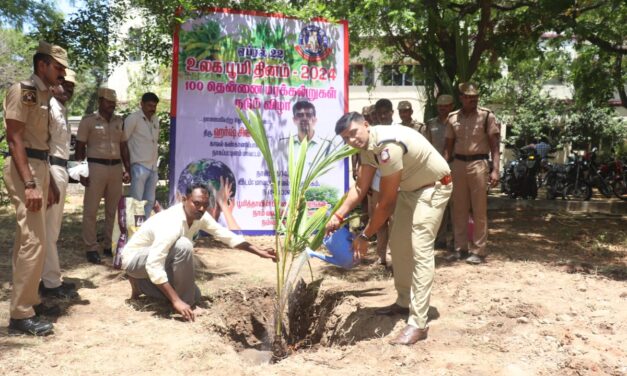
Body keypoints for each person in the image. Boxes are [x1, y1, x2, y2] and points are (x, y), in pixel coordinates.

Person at [326, 112, 452, 345]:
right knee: (398, 244)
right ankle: (404, 302)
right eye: (346, 138)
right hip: (410, 190)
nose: (352, 140)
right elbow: (360, 188)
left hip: (433, 187)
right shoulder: (366, 147)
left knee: (419, 248)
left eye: (353, 133)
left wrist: (365, 236)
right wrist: (338, 215)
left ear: (366, 124)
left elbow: (385, 203)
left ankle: (418, 323)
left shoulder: (388, 146)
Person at [120, 183, 276, 321]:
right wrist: (177, 301)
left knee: (197, 294)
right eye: (196, 203)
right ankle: (188, 305)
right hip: (135, 260)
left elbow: (226, 235)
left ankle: (141, 286)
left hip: (155, 260)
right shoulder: (171, 223)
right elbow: (154, 264)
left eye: (205, 204)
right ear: (184, 199)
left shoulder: (200, 216)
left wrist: (260, 252)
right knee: (183, 245)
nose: (201, 208)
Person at [3, 41, 68, 336]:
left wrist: (49, 181)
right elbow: (15, 138)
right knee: (33, 241)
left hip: (40, 166)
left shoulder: (44, 94)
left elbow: (42, 143)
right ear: (42, 65)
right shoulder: (25, 91)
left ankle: (28, 302)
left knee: (31, 241)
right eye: (57, 67)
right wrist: (30, 183)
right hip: (24, 168)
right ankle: (20, 315)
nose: (62, 72)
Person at [443, 83, 500, 265]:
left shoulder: (486, 116)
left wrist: (496, 169)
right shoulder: (453, 118)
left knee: (479, 209)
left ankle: (479, 250)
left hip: (479, 164)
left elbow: (495, 147)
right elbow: (448, 148)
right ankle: (460, 248)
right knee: (458, 208)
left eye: (475, 97)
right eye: (468, 97)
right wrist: (443, 170)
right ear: (461, 98)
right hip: (458, 164)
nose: (472, 100)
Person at [76, 88, 131, 264]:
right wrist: (81, 170)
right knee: (91, 210)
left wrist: (127, 169)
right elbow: (79, 148)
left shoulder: (119, 121)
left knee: (113, 211)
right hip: (95, 167)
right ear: (100, 101)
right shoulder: (88, 121)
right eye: (108, 102)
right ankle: (91, 247)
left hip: (115, 168)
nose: (111, 106)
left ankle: (110, 245)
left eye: (113, 103)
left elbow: (123, 146)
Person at [40, 69, 79, 299]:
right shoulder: (48, 108)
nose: (68, 90)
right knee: (48, 230)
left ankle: (49, 279)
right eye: (64, 85)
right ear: (54, 85)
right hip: (51, 169)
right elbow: (42, 144)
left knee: (51, 230)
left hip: (61, 168)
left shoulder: (61, 109)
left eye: (72, 87)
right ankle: (50, 283)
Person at [423, 94, 455, 249]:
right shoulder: (431, 124)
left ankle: (456, 240)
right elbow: (426, 146)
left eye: (446, 106)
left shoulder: (457, 123)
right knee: (438, 202)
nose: (443, 109)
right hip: (436, 168)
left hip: (455, 166)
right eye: (440, 106)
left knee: (455, 204)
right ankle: (440, 239)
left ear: (451, 106)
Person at [124, 92, 160, 218]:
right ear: (142, 104)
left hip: (152, 167)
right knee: (136, 202)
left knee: (149, 201)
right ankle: (132, 233)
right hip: (138, 166)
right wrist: (125, 169)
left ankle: (143, 231)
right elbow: (122, 142)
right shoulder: (133, 119)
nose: (152, 109)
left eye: (154, 106)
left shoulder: (155, 119)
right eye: (149, 105)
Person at [278, 101, 335, 172]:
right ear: (294, 120)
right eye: (300, 115)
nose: (304, 118)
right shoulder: (284, 145)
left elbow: (333, 174)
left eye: (308, 115)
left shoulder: (327, 147)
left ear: (315, 120)